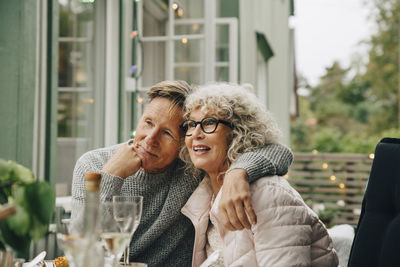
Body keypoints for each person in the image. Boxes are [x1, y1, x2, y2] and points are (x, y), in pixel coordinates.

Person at [71, 80, 293, 267]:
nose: (150, 139)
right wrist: (110, 175)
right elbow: (79, 248)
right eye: (148, 123)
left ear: (184, 143)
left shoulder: (191, 168)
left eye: (166, 133)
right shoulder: (94, 163)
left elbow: (280, 152)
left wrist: (239, 171)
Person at [180, 83, 339, 267]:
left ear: (238, 132)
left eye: (209, 122)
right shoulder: (202, 194)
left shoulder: (269, 194)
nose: (196, 134)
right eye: (191, 124)